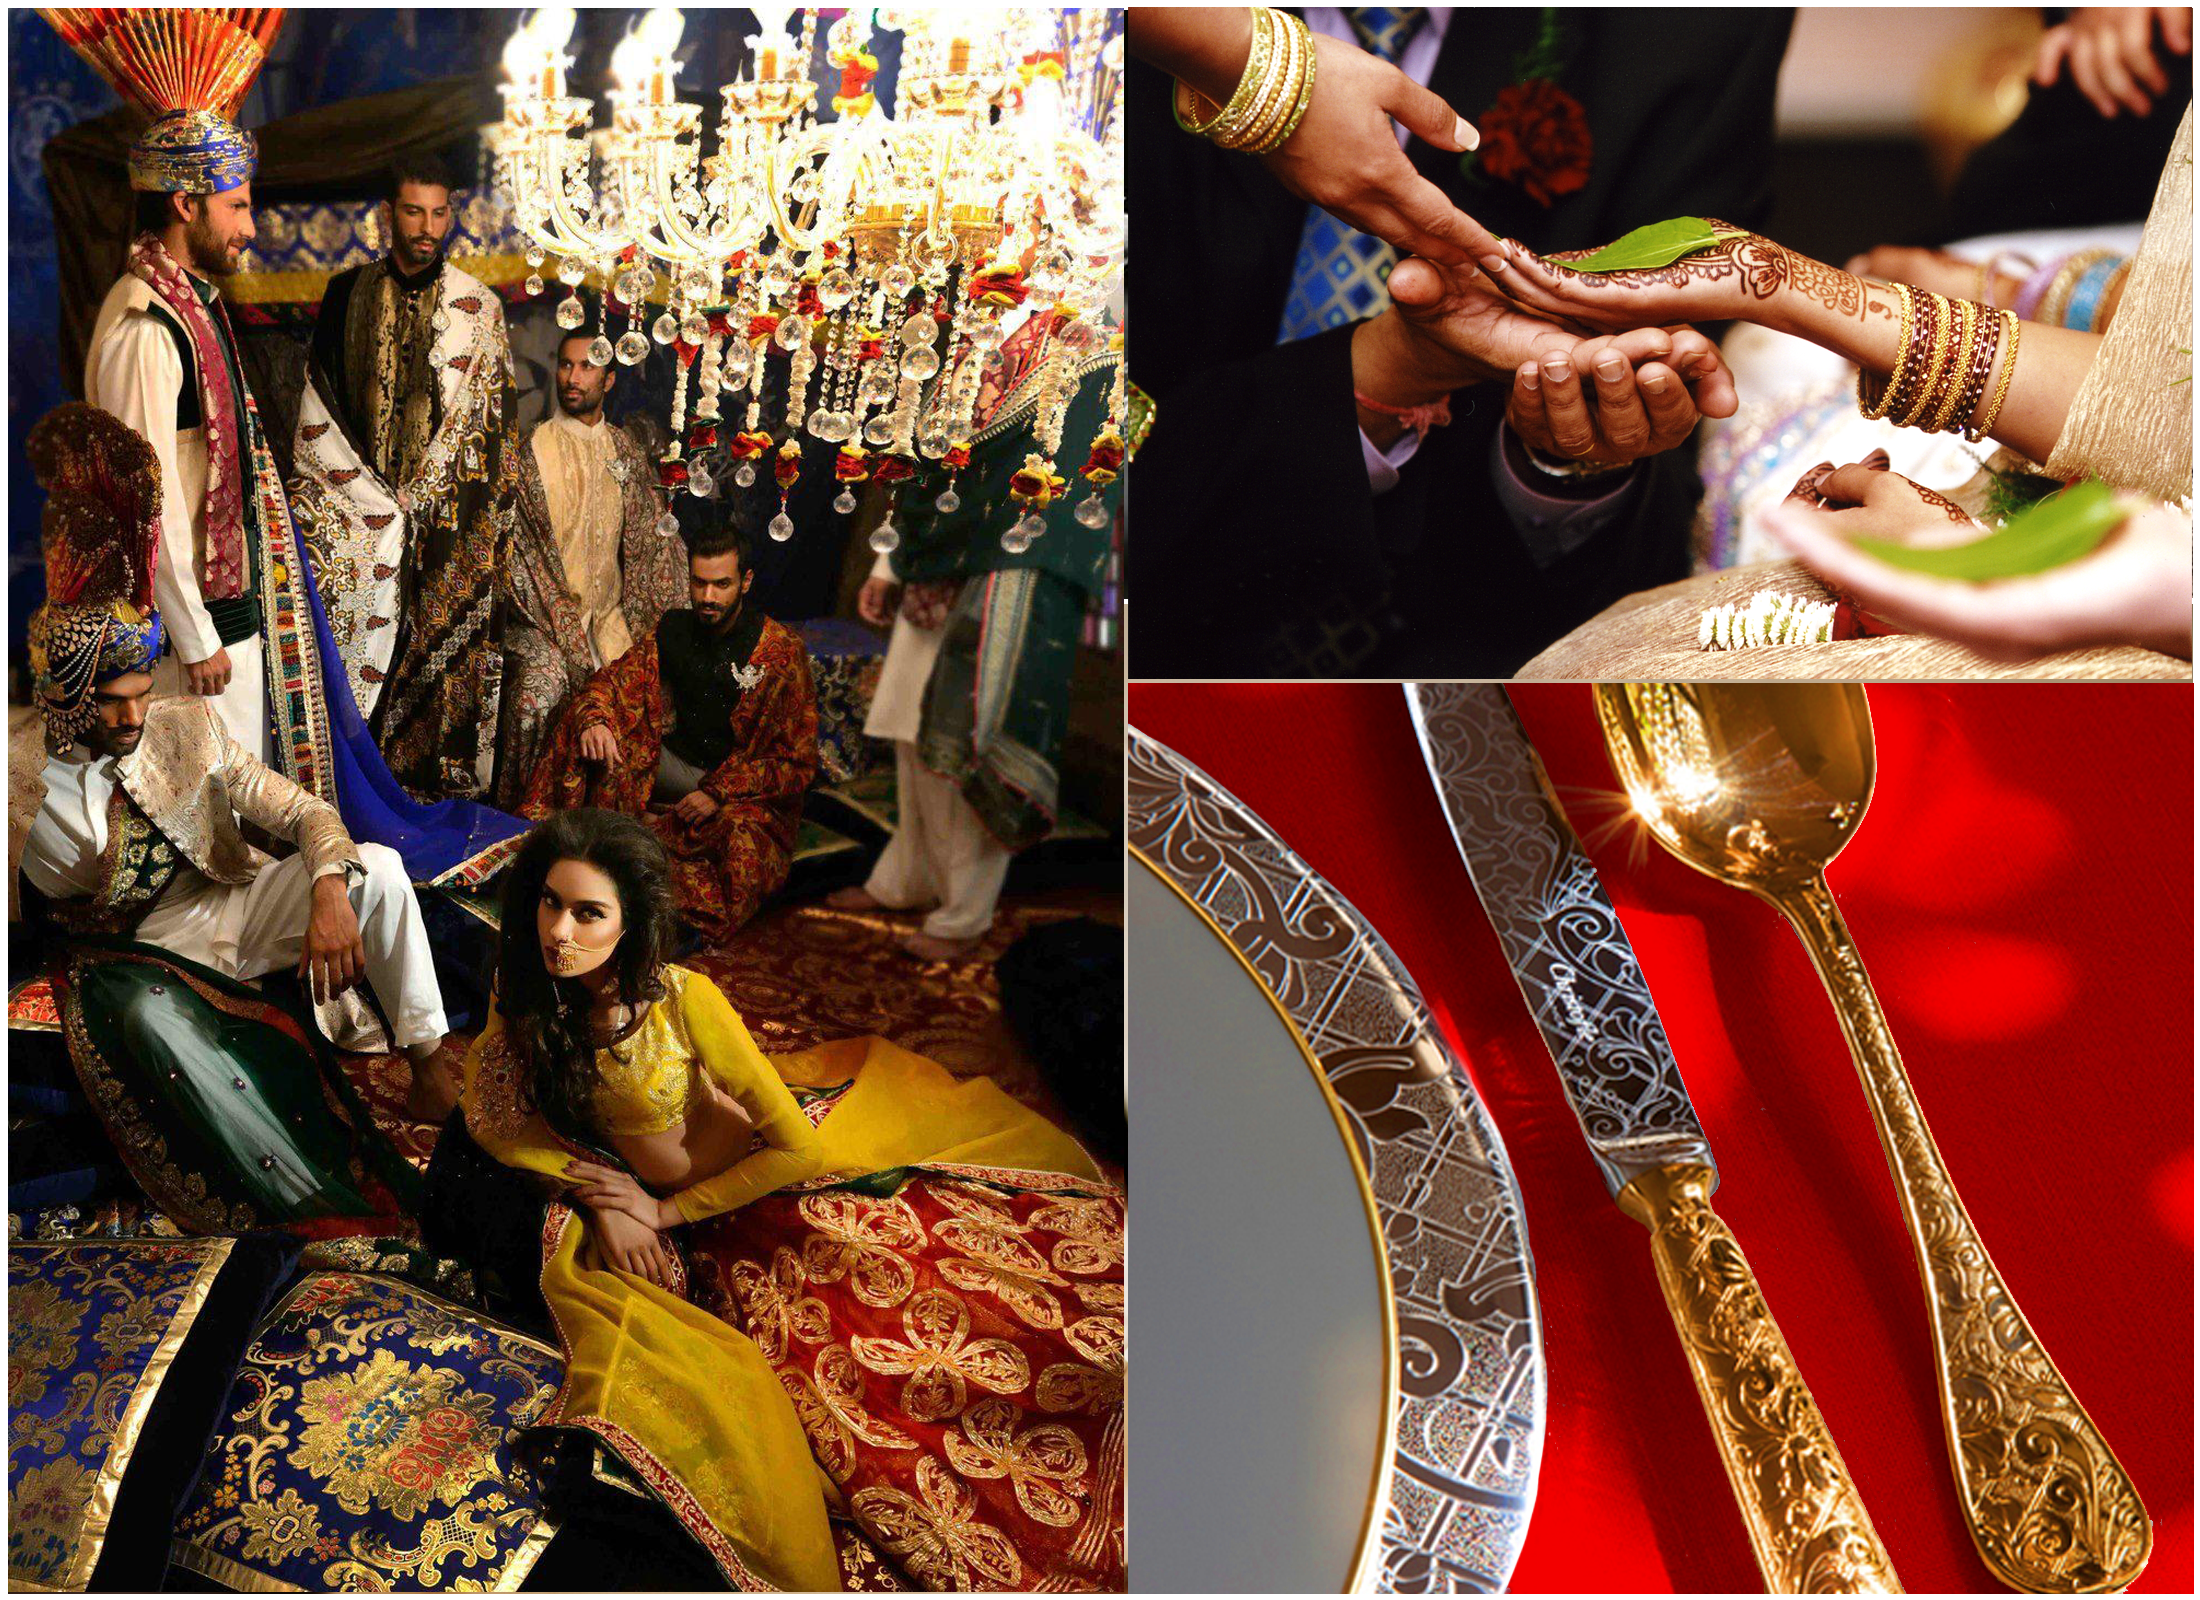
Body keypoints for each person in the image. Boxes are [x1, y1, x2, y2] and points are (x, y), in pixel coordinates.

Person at [423, 809, 1123, 1591]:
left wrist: (659, 1213)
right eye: (551, 904)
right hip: (649, 1198)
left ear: (632, 921)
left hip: (752, 1183)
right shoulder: (525, 987)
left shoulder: (686, 1000)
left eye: (590, 913)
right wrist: (597, 1196)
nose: (561, 931)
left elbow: (799, 1147)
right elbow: (496, 1109)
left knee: (891, 1356)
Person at [1127, 6, 1794, 676]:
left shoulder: (1700, 30)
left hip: (1468, 673)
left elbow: (1651, 512)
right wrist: (1387, 372)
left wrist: (1567, 461)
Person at [20, 402, 461, 1120]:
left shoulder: (183, 727)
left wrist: (323, 885)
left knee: (375, 870)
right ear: (68, 699)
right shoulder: (20, 784)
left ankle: (430, 1063)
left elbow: (304, 811)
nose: (135, 716)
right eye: (113, 703)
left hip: (226, 901)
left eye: (141, 695)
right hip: (132, 961)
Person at [78, 41, 335, 792]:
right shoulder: (146, 331)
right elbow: (139, 503)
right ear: (185, 205)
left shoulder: (194, 306)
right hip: (182, 634)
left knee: (242, 810)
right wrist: (193, 639)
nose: (250, 228)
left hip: (222, 614)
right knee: (204, 818)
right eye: (237, 207)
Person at [830, 348, 1126, 960]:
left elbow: (1086, 478)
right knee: (913, 731)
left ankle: (963, 916)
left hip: (1009, 574)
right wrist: (888, 563)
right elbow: (927, 462)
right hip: (933, 560)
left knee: (967, 737)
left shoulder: (1097, 351)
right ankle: (903, 880)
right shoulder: (977, 332)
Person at [290, 152, 518, 802]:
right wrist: (373, 508)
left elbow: (493, 434)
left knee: (436, 662)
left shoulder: (479, 308)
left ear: (453, 215)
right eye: (414, 212)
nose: (427, 227)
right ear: (389, 214)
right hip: (358, 520)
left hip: (447, 522)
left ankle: (426, 800)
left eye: (439, 212)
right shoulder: (347, 294)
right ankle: (351, 801)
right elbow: (319, 411)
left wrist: (444, 514)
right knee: (361, 656)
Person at [520, 514, 817, 943]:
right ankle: (569, 854)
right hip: (675, 765)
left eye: (721, 585)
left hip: (736, 786)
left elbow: (796, 762)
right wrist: (596, 720)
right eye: (699, 583)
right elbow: (611, 682)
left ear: (746, 582)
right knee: (586, 730)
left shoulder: (780, 652)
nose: (708, 597)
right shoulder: (674, 629)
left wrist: (718, 792)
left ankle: (656, 909)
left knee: (740, 845)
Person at [495, 325, 685, 810]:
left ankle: (611, 837)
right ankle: (523, 829)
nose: (572, 377)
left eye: (586, 367)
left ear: (610, 378)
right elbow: (519, 563)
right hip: (542, 626)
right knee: (540, 691)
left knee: (640, 688)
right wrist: (567, 636)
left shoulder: (626, 453)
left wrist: (652, 633)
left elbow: (651, 548)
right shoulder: (529, 452)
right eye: (565, 364)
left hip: (612, 624)